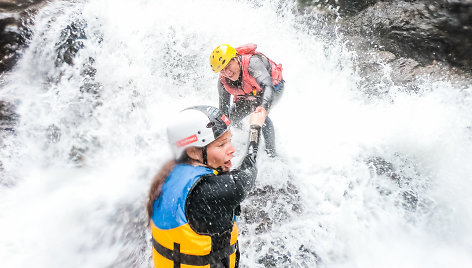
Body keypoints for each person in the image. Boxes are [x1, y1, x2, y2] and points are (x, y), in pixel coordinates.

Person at [146, 105, 267, 268]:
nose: (232, 149)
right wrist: (255, 127)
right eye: (221, 144)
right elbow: (247, 173)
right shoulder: (206, 192)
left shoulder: (170, 174)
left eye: (229, 140)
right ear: (193, 152)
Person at [209, 43, 284, 157]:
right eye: (222, 70)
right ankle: (242, 133)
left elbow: (268, 86)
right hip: (249, 93)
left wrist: (263, 108)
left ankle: (272, 154)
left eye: (229, 65)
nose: (227, 73)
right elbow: (223, 111)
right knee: (229, 119)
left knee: (259, 115)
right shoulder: (223, 82)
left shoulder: (253, 64)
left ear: (236, 59)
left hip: (273, 88)